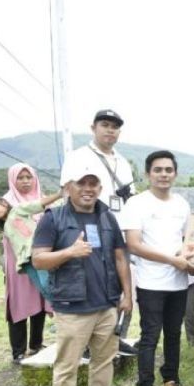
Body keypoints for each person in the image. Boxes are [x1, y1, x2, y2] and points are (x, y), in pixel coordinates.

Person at [31, 165, 132, 386]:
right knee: (67, 364)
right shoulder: (53, 218)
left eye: (93, 184)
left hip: (107, 303)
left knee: (104, 358)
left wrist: (128, 295)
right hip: (72, 305)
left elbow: (120, 257)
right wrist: (70, 251)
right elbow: (38, 259)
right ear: (68, 188)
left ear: (100, 188)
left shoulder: (107, 216)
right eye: (82, 184)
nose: (88, 189)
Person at [121, 151, 194, 386]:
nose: (163, 174)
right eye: (158, 170)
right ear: (147, 174)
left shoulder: (182, 204)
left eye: (168, 170)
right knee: (150, 337)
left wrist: (185, 255)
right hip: (151, 283)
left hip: (178, 282)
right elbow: (134, 244)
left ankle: (171, 382)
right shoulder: (137, 204)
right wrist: (171, 260)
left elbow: (188, 237)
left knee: (174, 334)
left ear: (175, 173)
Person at [60, 109, 137, 349]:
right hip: (90, 224)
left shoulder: (122, 161)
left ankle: (115, 335)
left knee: (120, 280)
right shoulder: (78, 156)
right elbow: (66, 191)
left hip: (119, 227)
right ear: (93, 128)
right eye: (105, 124)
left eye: (114, 126)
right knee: (91, 278)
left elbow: (130, 197)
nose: (110, 130)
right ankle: (83, 343)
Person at [0, 163, 52, 363]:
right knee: (18, 303)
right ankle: (18, 350)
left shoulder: (42, 199)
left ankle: (36, 344)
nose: (25, 182)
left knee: (40, 300)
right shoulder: (5, 202)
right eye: (20, 178)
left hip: (41, 258)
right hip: (19, 263)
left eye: (28, 177)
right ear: (12, 179)